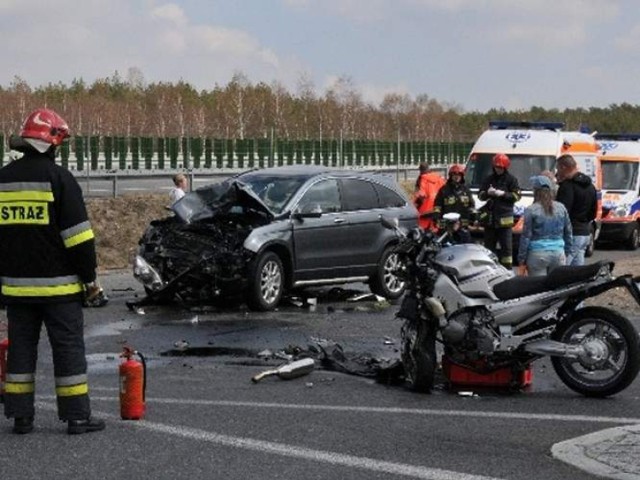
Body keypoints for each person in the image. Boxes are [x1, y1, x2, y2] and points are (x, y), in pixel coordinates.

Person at [0, 108, 105, 435]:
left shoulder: (2, 180)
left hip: (16, 291)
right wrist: (89, 278)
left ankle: (20, 417)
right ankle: (76, 417)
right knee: (68, 350)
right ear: (52, 142)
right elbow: (79, 238)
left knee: (20, 352)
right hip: (60, 292)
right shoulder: (61, 180)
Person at [517, 176, 572, 277]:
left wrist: (521, 260)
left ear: (535, 191)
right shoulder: (561, 207)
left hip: (537, 254)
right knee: (556, 288)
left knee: (539, 289)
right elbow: (568, 232)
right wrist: (567, 251)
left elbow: (525, 237)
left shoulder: (531, 209)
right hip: (558, 252)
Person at [477, 153, 521, 269]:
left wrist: (503, 194)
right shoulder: (489, 179)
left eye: (500, 167)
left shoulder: (511, 180)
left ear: (505, 167)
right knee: (488, 249)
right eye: (496, 167)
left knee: (506, 250)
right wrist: (487, 193)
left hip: (505, 224)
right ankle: (489, 270)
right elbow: (480, 195)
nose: (498, 169)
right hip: (490, 221)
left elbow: (517, 196)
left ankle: (507, 270)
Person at [555, 154, 598, 266]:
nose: (557, 172)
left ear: (564, 167)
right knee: (577, 271)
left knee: (562, 269)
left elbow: (562, 211)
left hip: (571, 233)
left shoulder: (567, 186)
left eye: (558, 168)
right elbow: (593, 212)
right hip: (585, 233)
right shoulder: (590, 186)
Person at [433, 164, 476, 230]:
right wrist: (436, 217)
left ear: (462, 176)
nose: (457, 177)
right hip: (447, 226)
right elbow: (437, 206)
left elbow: (472, 206)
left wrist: (473, 218)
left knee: (467, 240)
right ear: (451, 176)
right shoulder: (444, 190)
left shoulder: (466, 190)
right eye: (454, 175)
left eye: (459, 175)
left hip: (463, 226)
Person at [413, 162, 446, 231]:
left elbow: (421, 196)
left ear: (421, 170)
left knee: (423, 232)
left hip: (425, 209)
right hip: (438, 208)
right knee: (437, 230)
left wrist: (414, 206)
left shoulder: (422, 179)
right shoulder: (439, 178)